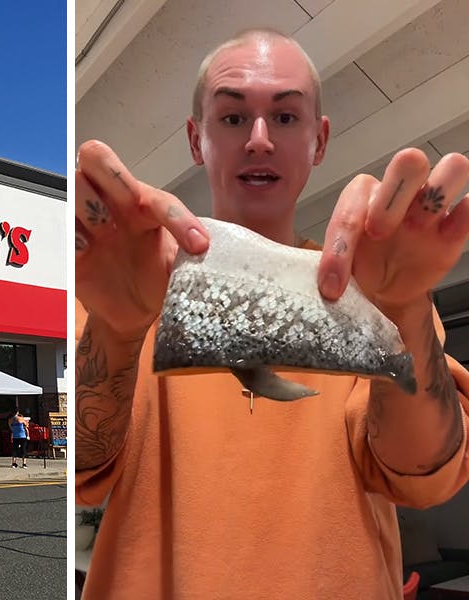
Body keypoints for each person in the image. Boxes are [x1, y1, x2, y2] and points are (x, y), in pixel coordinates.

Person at [75, 28, 469, 599]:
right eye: (233, 118)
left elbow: (422, 476)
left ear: (319, 139)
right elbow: (84, 472)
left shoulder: (380, 294)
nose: (259, 139)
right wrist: (116, 329)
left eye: (285, 117)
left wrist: (404, 309)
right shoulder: (124, 285)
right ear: (196, 139)